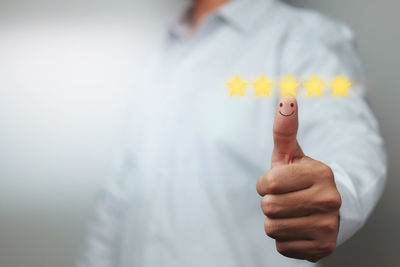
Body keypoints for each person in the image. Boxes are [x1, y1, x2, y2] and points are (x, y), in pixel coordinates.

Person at [77, 0, 387, 266]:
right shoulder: (157, 56)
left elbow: (349, 140)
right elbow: (116, 202)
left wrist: (333, 195)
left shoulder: (303, 38)